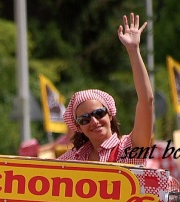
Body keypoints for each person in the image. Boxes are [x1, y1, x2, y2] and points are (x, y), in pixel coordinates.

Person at [59, 13, 153, 165]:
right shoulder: (71, 161)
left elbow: (146, 101)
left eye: (99, 113)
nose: (94, 121)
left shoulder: (130, 149)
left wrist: (133, 50)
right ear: (78, 127)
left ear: (110, 114)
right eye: (84, 119)